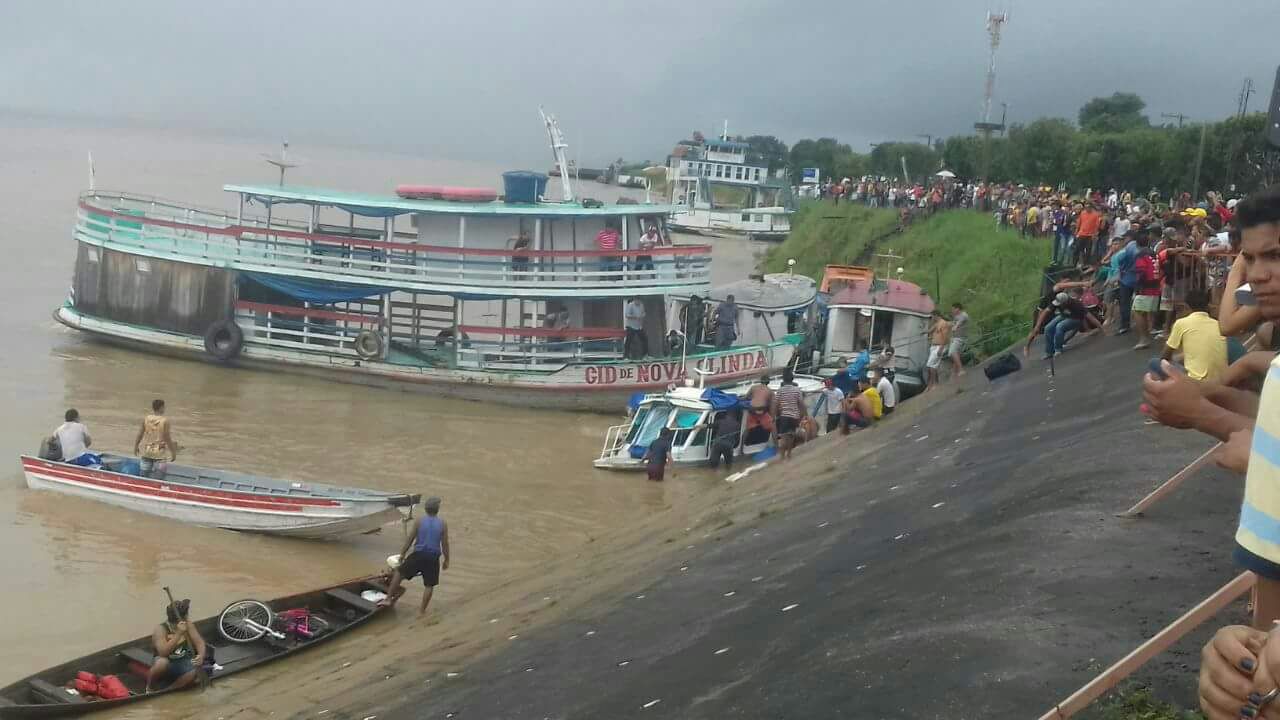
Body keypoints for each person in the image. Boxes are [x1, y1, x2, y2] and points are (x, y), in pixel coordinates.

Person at [380, 497, 451, 616]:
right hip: (433, 558)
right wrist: (446, 560)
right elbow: (445, 543)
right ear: (437, 510)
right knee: (429, 585)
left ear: (426, 509)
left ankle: (388, 599)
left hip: (418, 554)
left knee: (399, 573)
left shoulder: (419, 521)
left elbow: (410, 539)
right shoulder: (443, 524)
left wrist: (402, 554)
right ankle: (421, 611)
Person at [1162, 288, 1227, 382]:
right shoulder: (1218, 324)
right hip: (1220, 381)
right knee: (1181, 358)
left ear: (1186, 307)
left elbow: (1165, 356)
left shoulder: (1181, 323)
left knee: (1155, 363)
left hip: (1196, 381)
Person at [146, 598, 206, 693]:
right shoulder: (161, 629)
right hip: (167, 662)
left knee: (195, 671)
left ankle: (168, 691)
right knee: (161, 663)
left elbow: (199, 642)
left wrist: (201, 656)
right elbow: (163, 653)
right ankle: (150, 688)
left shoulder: (188, 624)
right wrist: (178, 634)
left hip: (182, 660)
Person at [1131, 233, 1161, 350]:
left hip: (1146, 287)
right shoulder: (1153, 252)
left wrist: (1138, 288)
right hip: (1155, 285)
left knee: (1137, 312)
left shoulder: (1140, 255)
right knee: (1145, 312)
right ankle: (1148, 332)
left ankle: (1144, 339)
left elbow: (1141, 272)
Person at [771, 368, 808, 461]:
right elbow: (801, 404)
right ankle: (789, 455)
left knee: (783, 437)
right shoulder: (797, 390)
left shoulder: (780, 391)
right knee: (791, 436)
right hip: (794, 417)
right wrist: (805, 414)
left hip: (784, 416)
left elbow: (775, 404)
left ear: (783, 379)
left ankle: (782, 456)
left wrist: (773, 416)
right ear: (792, 379)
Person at [134, 399, 176, 479]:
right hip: (159, 455)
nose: (164, 409)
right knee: (159, 479)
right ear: (161, 408)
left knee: (143, 478)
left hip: (147, 452)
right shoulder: (165, 421)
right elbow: (167, 438)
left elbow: (140, 434)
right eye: (164, 407)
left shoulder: (146, 418)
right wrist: (173, 452)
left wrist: (136, 446)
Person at [925, 312, 951, 390]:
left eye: (932, 316)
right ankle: (933, 384)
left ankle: (933, 384)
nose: (932, 318)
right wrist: (923, 332)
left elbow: (945, 337)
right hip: (934, 346)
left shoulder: (943, 323)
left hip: (939, 346)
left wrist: (941, 348)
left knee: (931, 364)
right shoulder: (937, 323)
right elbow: (930, 331)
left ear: (936, 316)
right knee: (932, 365)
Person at [949, 303, 970, 377]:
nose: (952, 310)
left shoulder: (963, 315)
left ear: (957, 308)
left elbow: (958, 323)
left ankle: (961, 370)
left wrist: (955, 327)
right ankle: (954, 372)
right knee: (956, 353)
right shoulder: (956, 316)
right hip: (955, 337)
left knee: (952, 352)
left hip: (960, 337)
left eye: (953, 309)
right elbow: (953, 324)